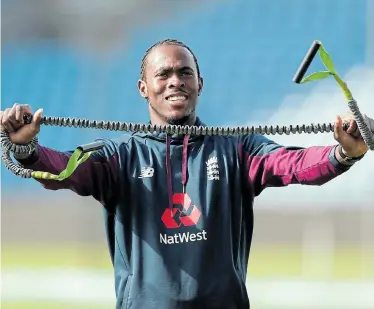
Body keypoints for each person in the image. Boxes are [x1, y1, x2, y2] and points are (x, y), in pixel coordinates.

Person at [0, 39, 369, 309]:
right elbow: (64, 169)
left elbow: (292, 165)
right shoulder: (118, 155)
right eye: (163, 74)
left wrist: (342, 154)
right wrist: (25, 149)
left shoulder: (238, 147)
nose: (175, 81)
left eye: (184, 72)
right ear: (144, 88)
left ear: (199, 84)